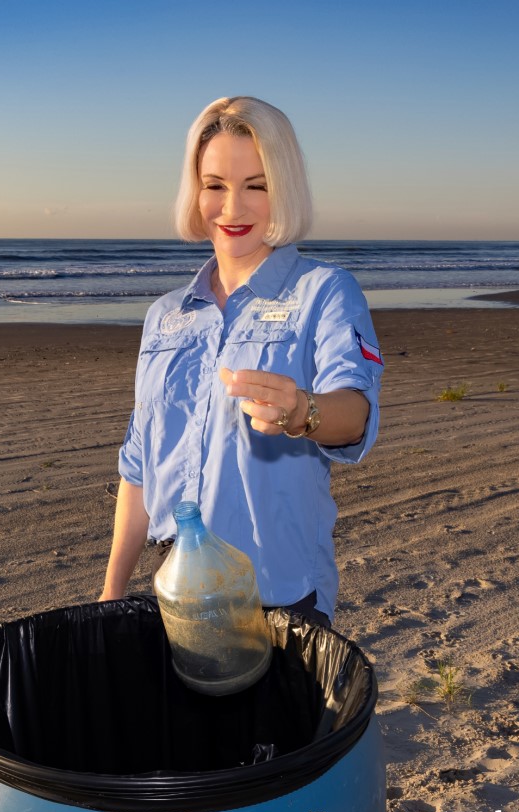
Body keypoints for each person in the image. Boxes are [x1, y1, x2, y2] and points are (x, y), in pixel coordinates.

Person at [100, 96, 384, 626]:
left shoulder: (324, 291)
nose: (232, 209)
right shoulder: (164, 316)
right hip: (177, 596)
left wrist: (304, 412)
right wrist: (113, 589)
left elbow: (357, 415)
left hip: (278, 598)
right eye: (215, 186)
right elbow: (139, 467)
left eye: (257, 186)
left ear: (286, 189)